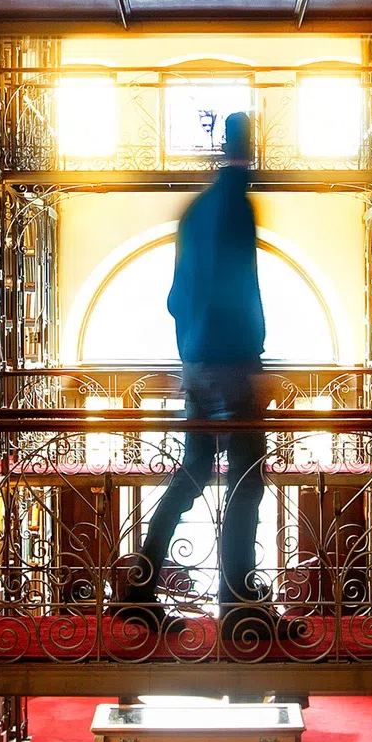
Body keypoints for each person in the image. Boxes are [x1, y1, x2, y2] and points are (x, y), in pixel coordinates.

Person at [114, 109, 281, 635]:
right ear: (249, 150)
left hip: (198, 365)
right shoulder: (237, 205)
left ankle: (139, 587)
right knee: (247, 482)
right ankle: (240, 604)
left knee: (192, 473)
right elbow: (237, 289)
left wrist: (195, 349)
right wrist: (247, 352)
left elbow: (175, 298)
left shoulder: (194, 211)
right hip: (233, 364)